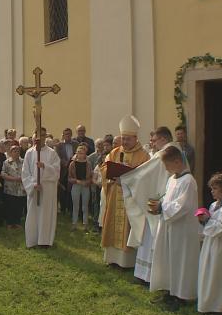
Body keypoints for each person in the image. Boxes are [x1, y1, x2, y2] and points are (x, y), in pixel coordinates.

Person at [119, 126, 176, 284]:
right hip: (164, 198)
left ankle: (148, 275)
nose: (152, 143)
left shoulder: (164, 153)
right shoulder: (176, 150)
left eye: (154, 140)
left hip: (158, 200)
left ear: (163, 139)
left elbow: (145, 174)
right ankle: (147, 274)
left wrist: (127, 179)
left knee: (151, 237)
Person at [148, 146, 201, 311]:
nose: (166, 169)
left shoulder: (189, 181)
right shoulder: (172, 179)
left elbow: (183, 206)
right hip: (170, 226)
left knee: (181, 260)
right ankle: (171, 290)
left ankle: (182, 295)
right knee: (170, 259)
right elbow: (168, 199)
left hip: (182, 229)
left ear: (177, 161)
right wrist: (160, 205)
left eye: (167, 166)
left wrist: (162, 208)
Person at [100, 115, 150, 268]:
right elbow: (103, 168)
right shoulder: (115, 152)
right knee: (113, 224)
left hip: (131, 199)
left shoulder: (144, 155)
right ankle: (112, 258)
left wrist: (129, 178)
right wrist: (109, 172)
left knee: (128, 227)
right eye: (123, 138)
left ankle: (127, 262)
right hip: (115, 194)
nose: (125, 142)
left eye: (128, 139)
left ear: (135, 138)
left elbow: (145, 176)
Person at [197, 172, 222, 314]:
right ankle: (206, 301)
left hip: (221, 247)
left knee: (216, 274)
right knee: (207, 272)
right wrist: (204, 219)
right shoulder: (214, 205)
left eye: (215, 188)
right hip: (210, 244)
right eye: (212, 188)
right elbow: (212, 223)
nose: (212, 191)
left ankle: (215, 306)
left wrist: (207, 221)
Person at [22, 127, 61, 248]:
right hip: (34, 189)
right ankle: (33, 239)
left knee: (46, 214)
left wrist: (45, 166)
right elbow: (25, 173)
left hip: (48, 189)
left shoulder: (52, 153)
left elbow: (56, 171)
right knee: (33, 214)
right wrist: (33, 185)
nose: (40, 138)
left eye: (43, 135)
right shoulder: (29, 153)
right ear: (34, 137)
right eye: (38, 135)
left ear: (45, 137)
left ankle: (44, 240)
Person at [1, 145, 26, 230]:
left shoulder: (24, 161)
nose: (16, 153)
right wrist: (14, 179)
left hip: (21, 188)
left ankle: (17, 222)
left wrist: (23, 178)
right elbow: (3, 174)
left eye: (18, 151)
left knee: (19, 206)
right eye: (14, 151)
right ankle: (10, 223)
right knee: (10, 206)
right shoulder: (6, 162)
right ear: (11, 153)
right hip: (10, 188)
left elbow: (28, 172)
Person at [69, 144, 92, 225]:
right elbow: (69, 178)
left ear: (85, 154)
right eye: (79, 153)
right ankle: (74, 223)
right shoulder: (72, 164)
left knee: (85, 206)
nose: (81, 154)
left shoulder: (88, 164)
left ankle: (85, 224)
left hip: (85, 186)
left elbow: (91, 177)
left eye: (82, 153)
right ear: (76, 153)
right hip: (76, 185)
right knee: (75, 206)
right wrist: (76, 181)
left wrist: (87, 182)